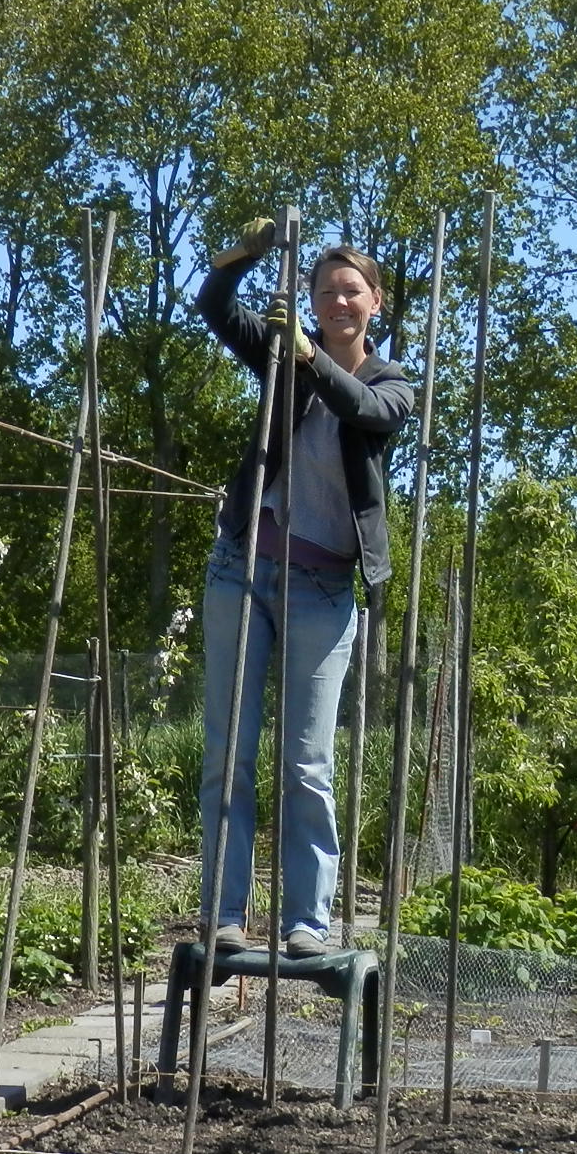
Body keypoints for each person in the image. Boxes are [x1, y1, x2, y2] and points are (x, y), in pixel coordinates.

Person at [194, 222, 415, 956]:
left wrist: (311, 355)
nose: (338, 302)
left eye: (352, 291)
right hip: (241, 574)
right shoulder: (280, 355)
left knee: (307, 764)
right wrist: (239, 258)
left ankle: (306, 923)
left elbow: (365, 412)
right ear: (312, 302)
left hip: (323, 590)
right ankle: (225, 914)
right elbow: (216, 307)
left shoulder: (391, 383)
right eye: (326, 293)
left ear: (376, 302)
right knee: (229, 754)